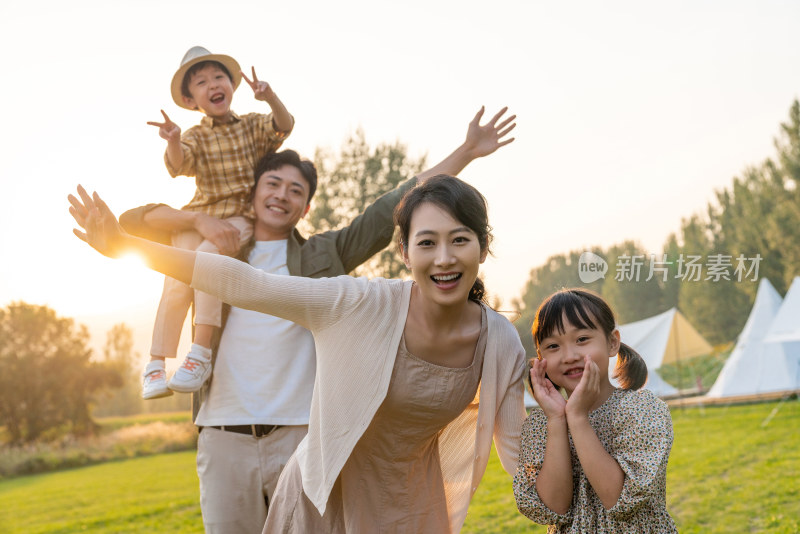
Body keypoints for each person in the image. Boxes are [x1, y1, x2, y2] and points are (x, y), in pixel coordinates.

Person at [85, 107, 517, 533]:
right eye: (272, 184)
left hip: (301, 431)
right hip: (227, 430)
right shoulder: (220, 249)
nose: (281, 195)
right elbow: (232, 277)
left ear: (307, 207)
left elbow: (398, 207)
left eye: (295, 190)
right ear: (251, 192)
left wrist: (465, 152)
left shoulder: (323, 261)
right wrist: (130, 242)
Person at [142, 45, 295, 400]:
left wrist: (269, 96)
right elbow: (180, 165)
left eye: (219, 77)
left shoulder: (253, 125)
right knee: (176, 276)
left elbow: (283, 126)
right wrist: (175, 140)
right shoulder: (195, 135)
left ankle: (200, 352)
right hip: (199, 217)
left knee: (209, 260)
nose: (213, 84)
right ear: (191, 99)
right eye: (201, 82)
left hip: (238, 217)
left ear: (231, 85)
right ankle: (155, 362)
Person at [513, 288, 677, 533]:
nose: (569, 356)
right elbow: (553, 507)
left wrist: (577, 418)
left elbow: (619, 499)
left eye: (581, 340)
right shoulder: (542, 426)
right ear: (541, 359)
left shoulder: (641, 410)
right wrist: (558, 420)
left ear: (612, 342)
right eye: (553, 346)